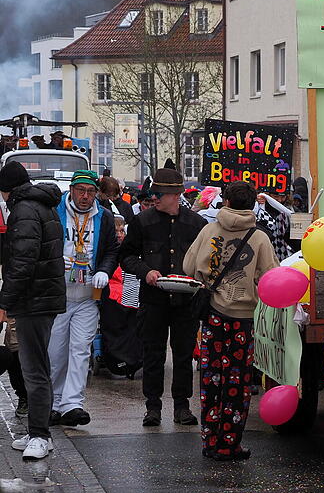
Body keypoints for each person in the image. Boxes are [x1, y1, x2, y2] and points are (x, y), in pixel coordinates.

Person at [183, 182, 278, 460]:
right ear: (252, 205)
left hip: (212, 314)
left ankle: (209, 440)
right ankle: (229, 443)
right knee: (237, 382)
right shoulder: (259, 237)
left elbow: (189, 266)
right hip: (243, 319)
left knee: (211, 378)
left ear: (224, 201)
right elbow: (272, 277)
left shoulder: (209, 229)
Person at [119, 159, 206, 427]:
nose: (153, 198)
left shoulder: (196, 224)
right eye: (152, 193)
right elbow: (127, 256)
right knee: (153, 353)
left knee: (182, 354)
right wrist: (145, 271)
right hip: (153, 300)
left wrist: (196, 280)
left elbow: (205, 260)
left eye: (158, 194)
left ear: (175, 196)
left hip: (184, 301)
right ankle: (153, 407)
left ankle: (182, 406)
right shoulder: (142, 222)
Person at [0, 161, 66, 460]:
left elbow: (22, 262)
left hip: (34, 300)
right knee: (35, 367)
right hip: (41, 297)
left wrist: (5, 301)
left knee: (34, 369)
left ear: (8, 190)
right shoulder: (40, 205)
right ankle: (37, 429)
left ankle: (41, 435)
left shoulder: (24, 210)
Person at [48, 170, 119, 428]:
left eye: (90, 192)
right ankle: (53, 402)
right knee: (56, 351)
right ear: (72, 190)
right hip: (59, 295)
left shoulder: (105, 217)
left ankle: (72, 404)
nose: (86, 197)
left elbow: (112, 250)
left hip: (89, 295)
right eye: (81, 191)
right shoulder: (55, 213)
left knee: (80, 350)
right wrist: (55, 264)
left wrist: (104, 270)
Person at [99, 214, 142, 379]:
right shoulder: (107, 250)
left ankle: (133, 358)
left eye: (121, 230)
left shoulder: (130, 249)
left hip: (128, 289)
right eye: (116, 231)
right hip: (112, 291)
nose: (119, 234)